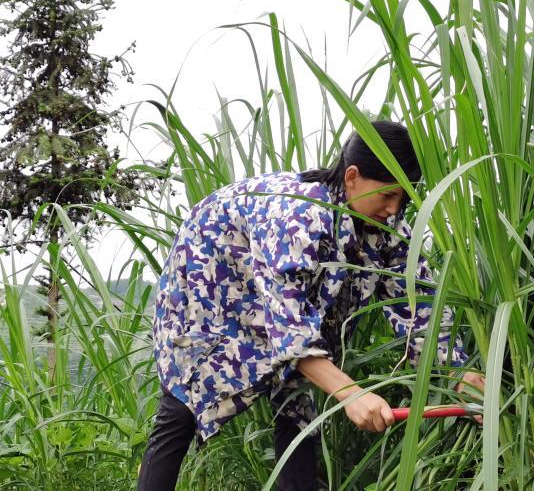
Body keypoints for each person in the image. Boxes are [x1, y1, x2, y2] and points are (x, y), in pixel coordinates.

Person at [137, 121, 485, 491]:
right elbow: (290, 332)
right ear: (352, 177)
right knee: (181, 405)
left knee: (298, 404)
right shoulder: (299, 216)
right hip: (209, 282)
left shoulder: (388, 228)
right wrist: (352, 394)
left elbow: (419, 310)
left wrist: (459, 374)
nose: (394, 209)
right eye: (388, 195)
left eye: (404, 198)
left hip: (276, 294)